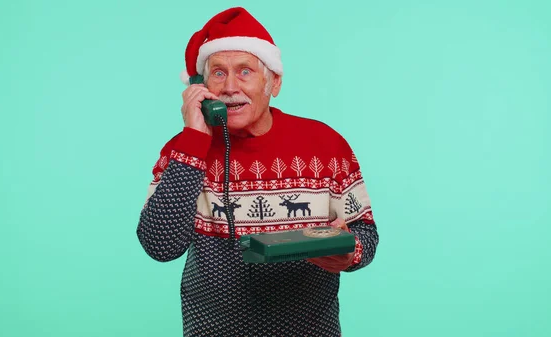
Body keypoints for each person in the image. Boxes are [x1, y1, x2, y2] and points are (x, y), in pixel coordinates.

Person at [136, 7, 379, 337]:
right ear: (200, 87)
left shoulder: (326, 144)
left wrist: (351, 252)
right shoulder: (182, 151)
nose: (230, 86)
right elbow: (160, 245)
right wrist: (194, 141)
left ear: (274, 82)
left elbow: (366, 234)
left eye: (245, 71)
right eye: (218, 73)